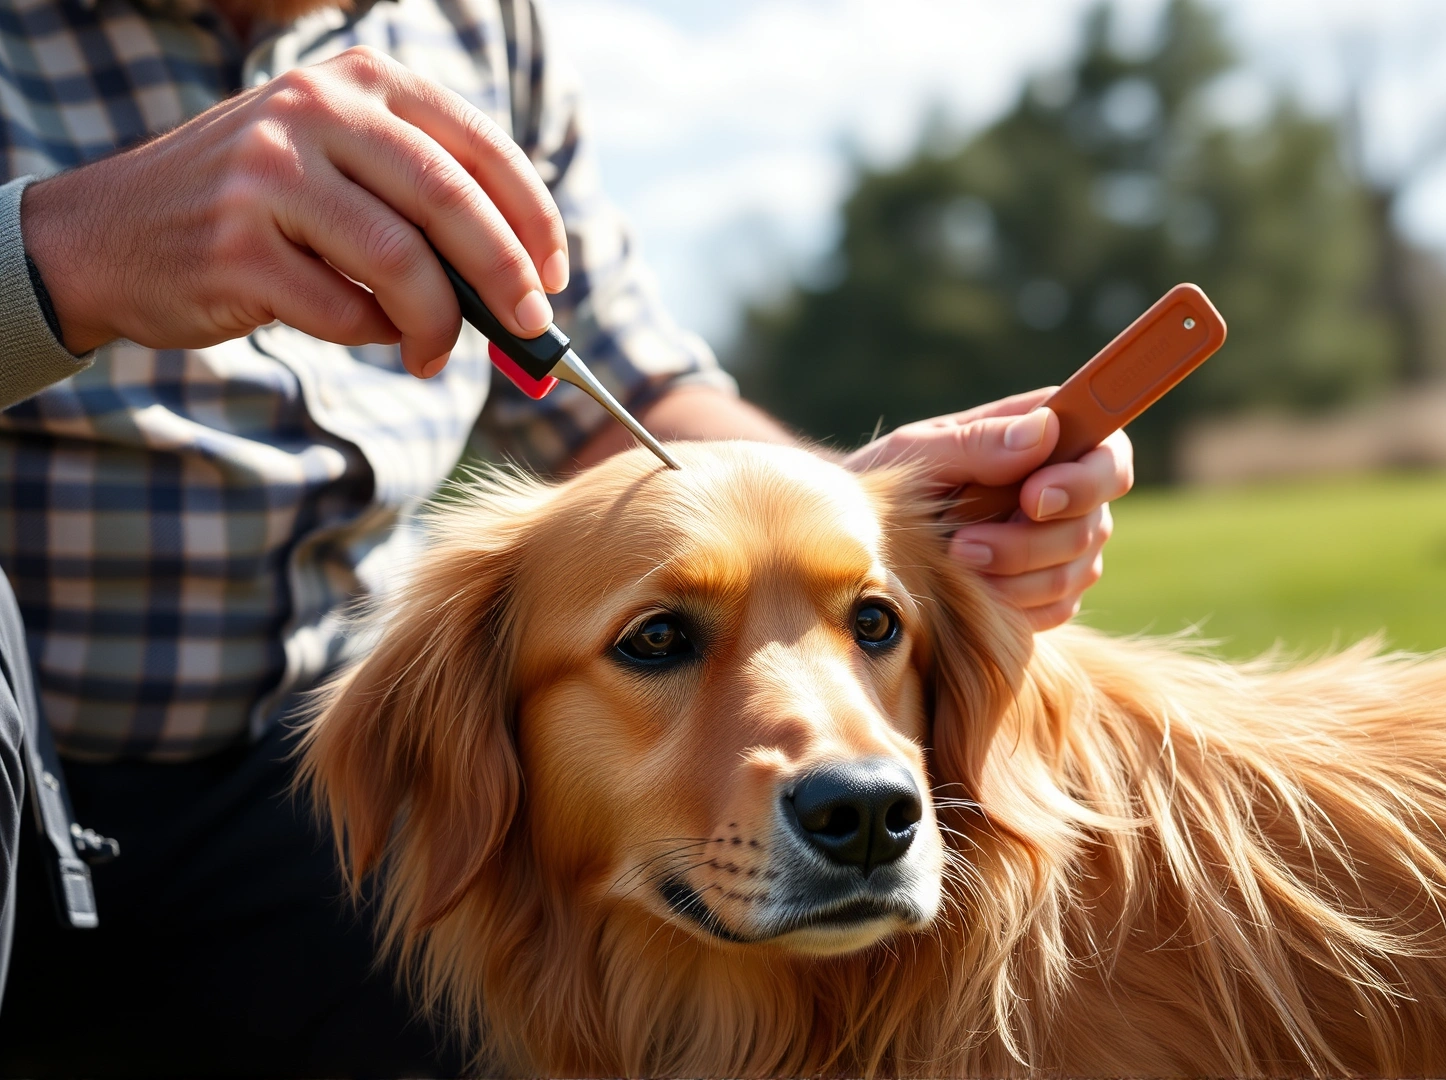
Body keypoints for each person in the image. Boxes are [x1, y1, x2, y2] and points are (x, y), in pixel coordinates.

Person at [0, 0, 1132, 1074]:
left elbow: (622, 399)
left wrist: (862, 516)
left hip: (315, 796)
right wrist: (59, 255)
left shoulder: (480, 27)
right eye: (661, 645)